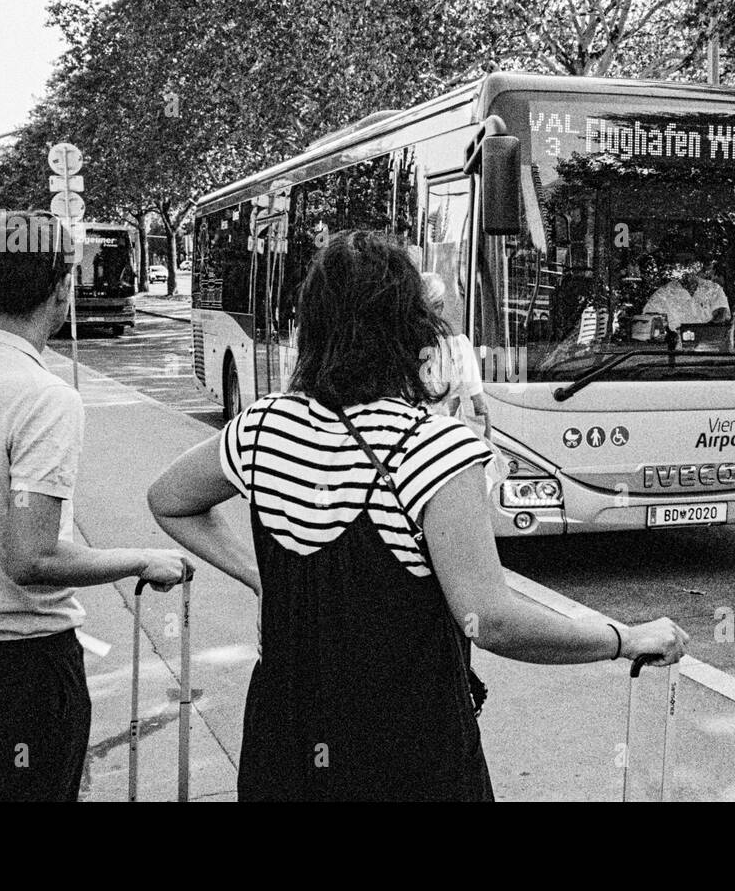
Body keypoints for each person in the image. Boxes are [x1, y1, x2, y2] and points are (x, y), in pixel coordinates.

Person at [147, 230, 687, 802]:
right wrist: (623, 638)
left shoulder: (259, 429)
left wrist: (265, 579)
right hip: (405, 753)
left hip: (283, 745)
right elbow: (491, 618)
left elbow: (169, 500)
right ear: (412, 330)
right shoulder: (433, 448)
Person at [0, 211, 193, 802]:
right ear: (63, 287)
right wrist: (143, 559)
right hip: (22, 665)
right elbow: (31, 558)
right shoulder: (44, 396)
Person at [419, 271, 490, 438]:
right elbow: (479, 406)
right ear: (440, 307)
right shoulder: (457, 347)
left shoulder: (398, 349)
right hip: (443, 443)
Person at [642, 250, 731, 327]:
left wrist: (707, 330)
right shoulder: (663, 293)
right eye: (680, 263)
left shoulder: (713, 289)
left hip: (706, 341)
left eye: (689, 262)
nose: (685, 267)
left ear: (698, 265)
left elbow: (722, 315)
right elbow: (648, 318)